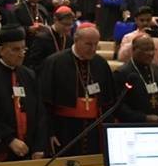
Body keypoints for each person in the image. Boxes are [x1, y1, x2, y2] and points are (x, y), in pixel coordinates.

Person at [38, 23, 116, 155]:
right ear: (76, 40)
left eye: (96, 44)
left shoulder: (100, 64)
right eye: (88, 44)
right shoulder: (55, 62)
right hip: (64, 129)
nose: (93, 49)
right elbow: (43, 102)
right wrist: (49, 133)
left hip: (94, 131)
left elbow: (109, 101)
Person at [0, 25, 45, 160]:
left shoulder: (29, 75)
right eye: (15, 49)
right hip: (2, 149)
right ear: (2, 50)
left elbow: (40, 112)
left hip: (31, 150)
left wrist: (39, 146)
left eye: (24, 49)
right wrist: (9, 140)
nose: (21, 54)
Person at [114, 34, 158, 123]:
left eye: (152, 49)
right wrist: (144, 118)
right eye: (145, 50)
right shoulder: (122, 73)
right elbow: (118, 107)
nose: (150, 53)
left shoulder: (157, 70)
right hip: (135, 126)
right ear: (133, 50)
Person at [24, 4, 75, 72]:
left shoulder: (69, 39)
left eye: (70, 25)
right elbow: (33, 64)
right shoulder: (41, 38)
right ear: (55, 20)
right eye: (64, 24)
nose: (67, 28)